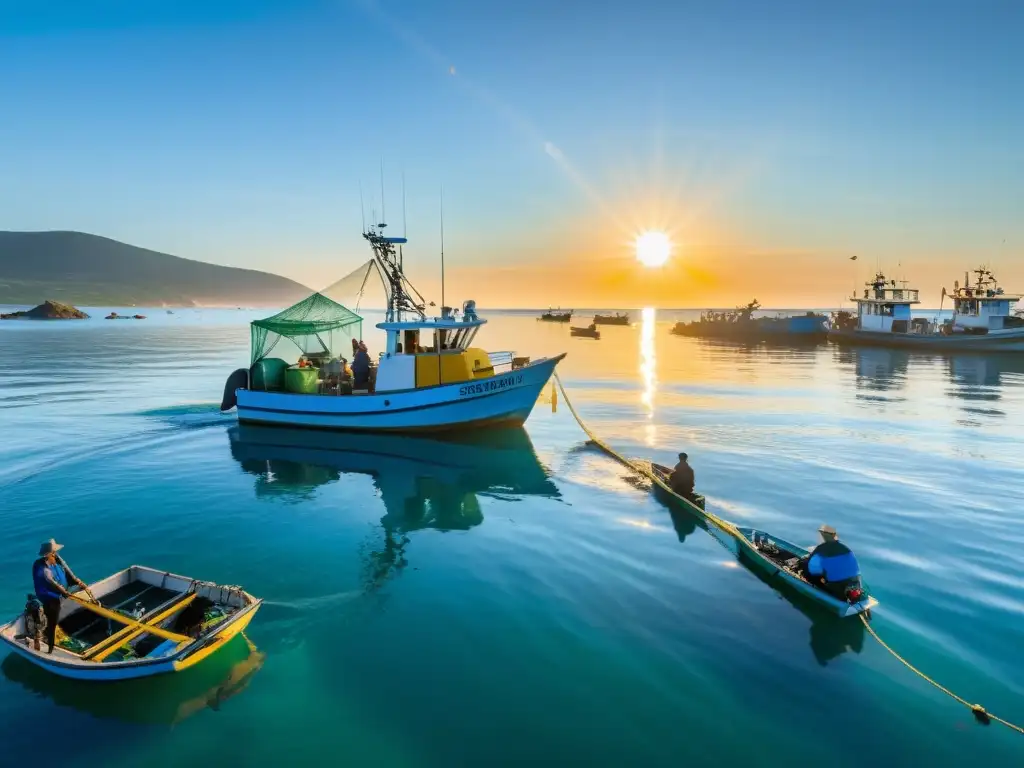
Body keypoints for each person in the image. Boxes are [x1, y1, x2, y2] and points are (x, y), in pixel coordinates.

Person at [31, 539, 87, 653]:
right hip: (50, 598)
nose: (56, 555)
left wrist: (77, 581)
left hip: (61, 591)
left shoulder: (56, 559)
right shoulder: (42, 569)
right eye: (54, 553)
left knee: (55, 615)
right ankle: (49, 647)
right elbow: (52, 582)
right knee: (52, 622)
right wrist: (65, 593)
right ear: (48, 555)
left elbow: (67, 571)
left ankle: (45, 633)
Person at [798, 525, 862, 600]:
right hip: (856, 584)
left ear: (822, 535)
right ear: (834, 535)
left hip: (839, 590)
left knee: (806, 568)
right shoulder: (846, 549)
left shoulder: (821, 549)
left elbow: (812, 570)